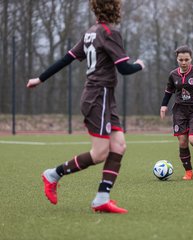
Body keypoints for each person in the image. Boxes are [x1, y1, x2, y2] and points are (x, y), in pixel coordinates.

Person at [27, 0, 144, 214]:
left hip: (104, 98)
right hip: (97, 96)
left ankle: (101, 198)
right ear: (115, 8)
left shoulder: (91, 32)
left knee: (118, 146)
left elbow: (66, 59)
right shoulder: (109, 33)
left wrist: (40, 78)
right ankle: (53, 174)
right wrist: (140, 64)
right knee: (100, 153)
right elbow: (125, 69)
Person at [160, 45, 193, 180]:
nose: (184, 62)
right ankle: (188, 171)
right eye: (181, 60)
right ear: (177, 59)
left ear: (191, 59)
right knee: (183, 142)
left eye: (186, 59)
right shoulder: (173, 74)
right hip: (180, 110)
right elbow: (169, 91)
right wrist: (163, 105)